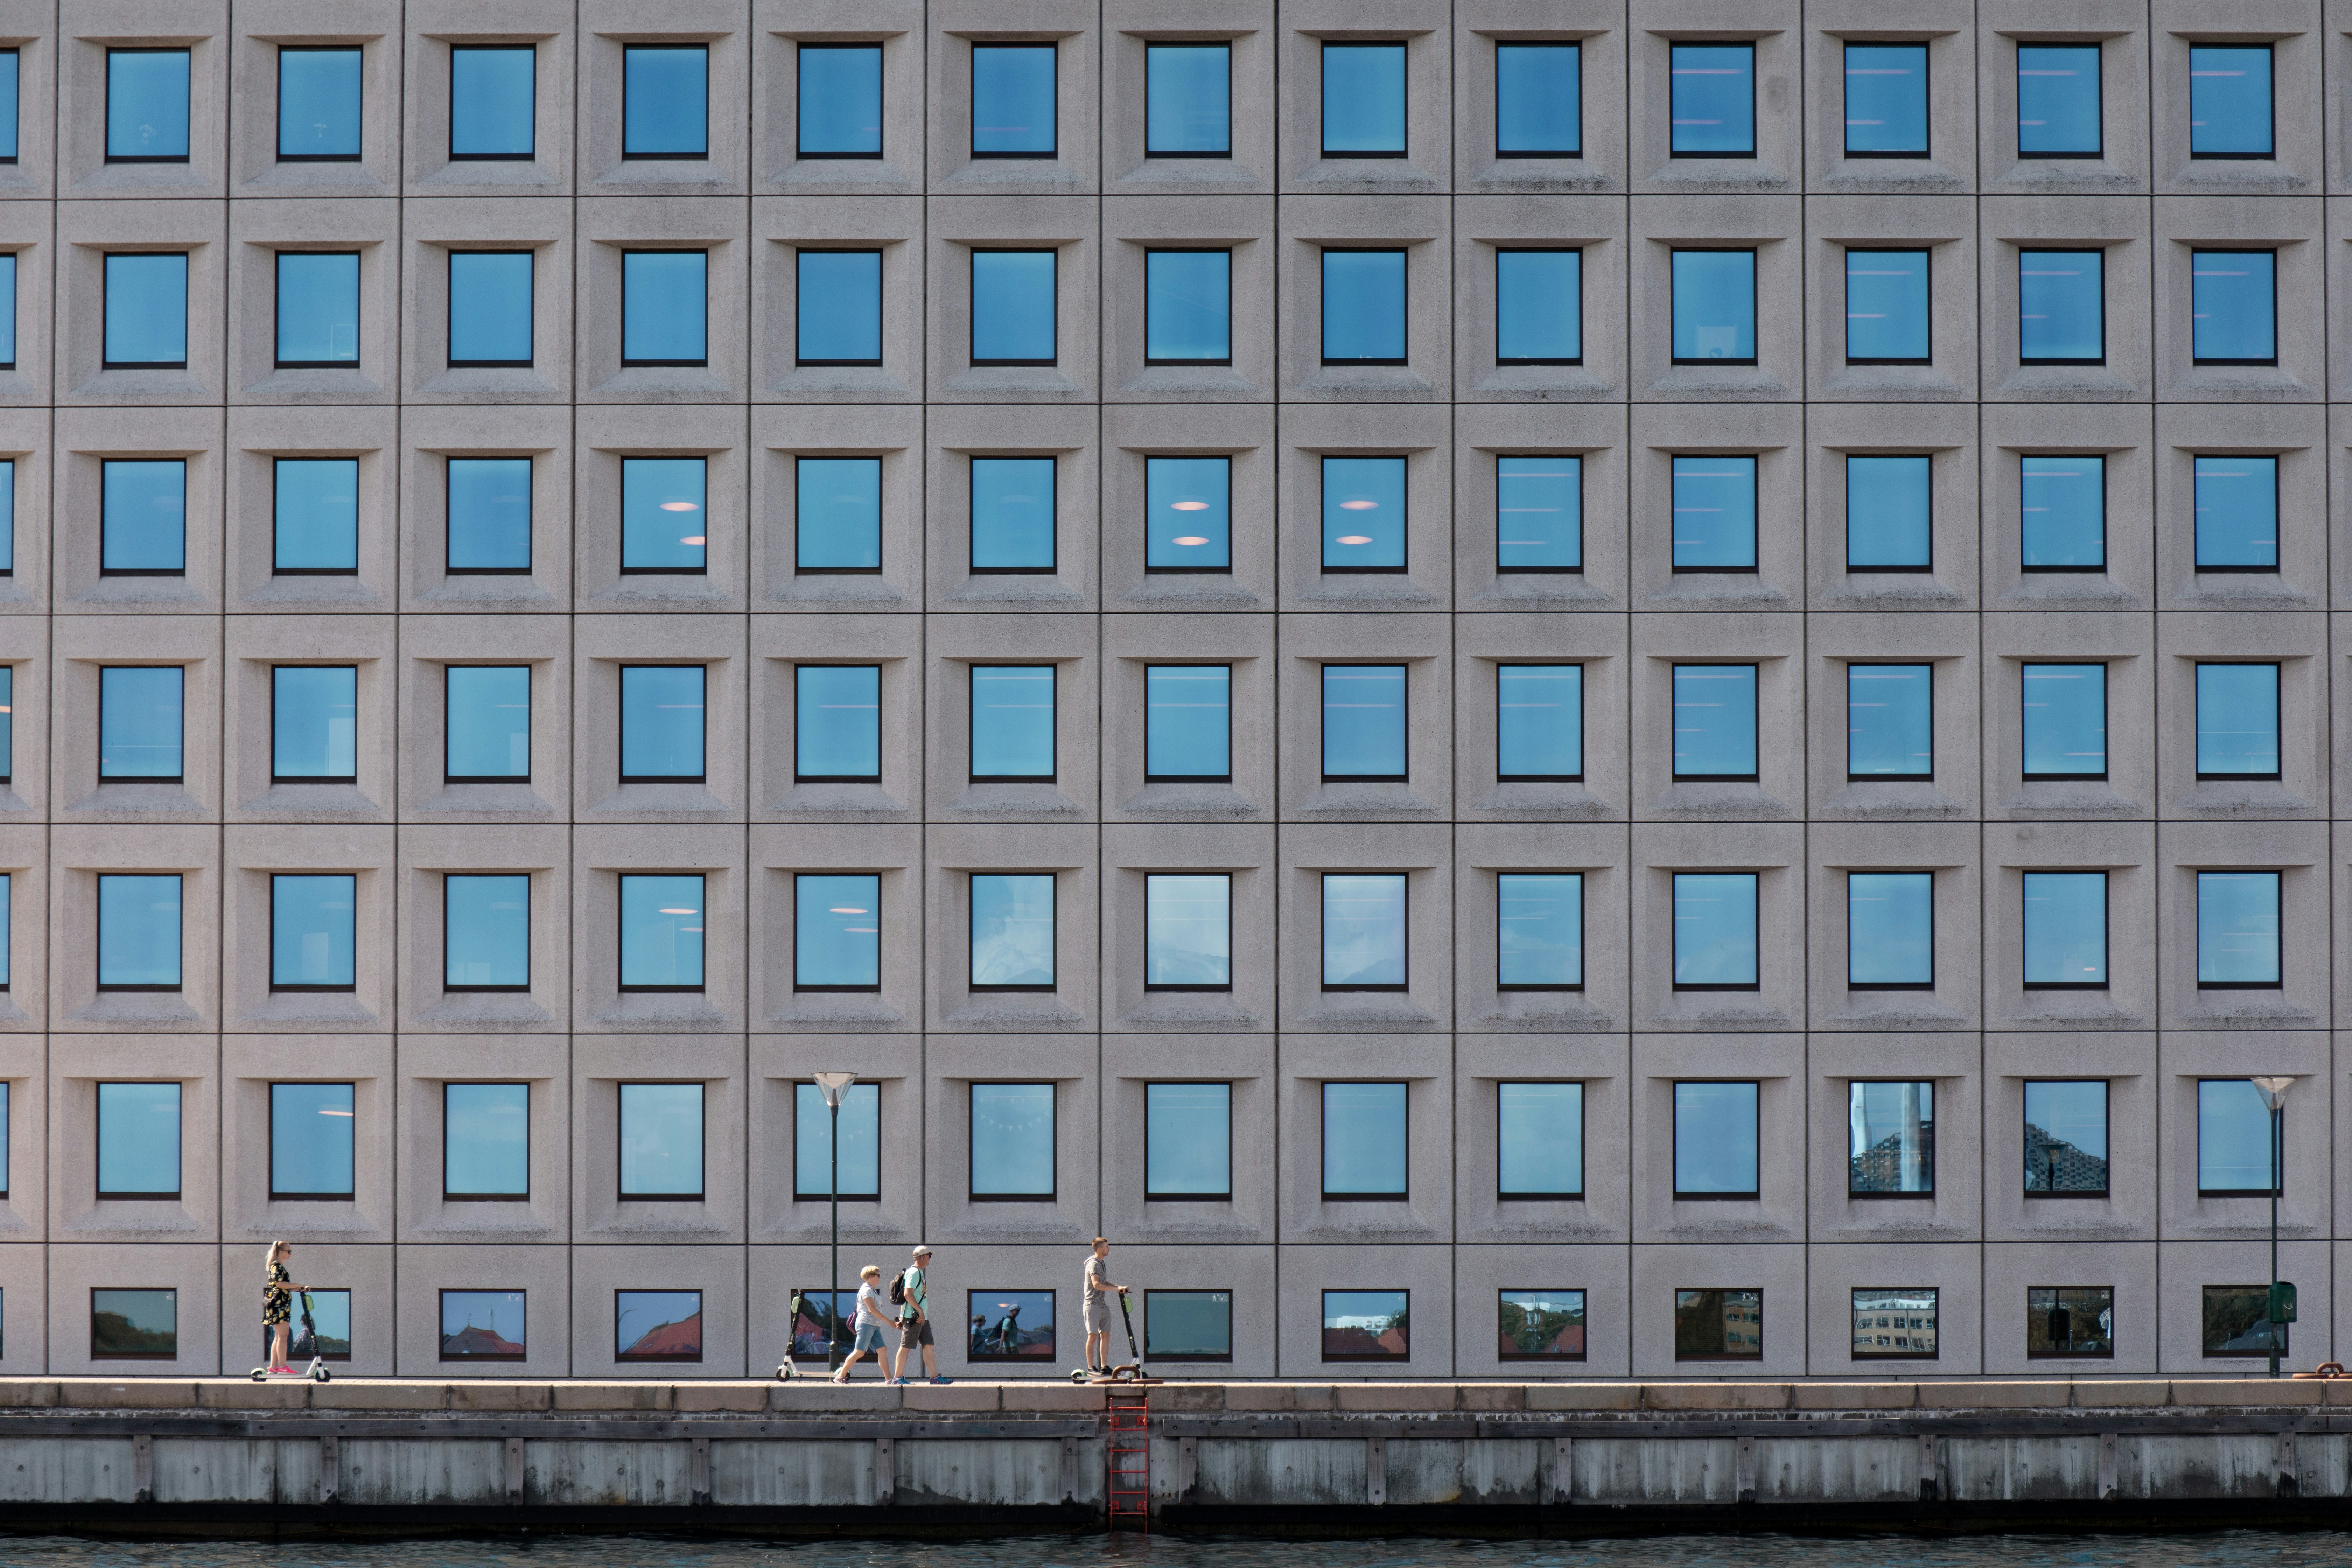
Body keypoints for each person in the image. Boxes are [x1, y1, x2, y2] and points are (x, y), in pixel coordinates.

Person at [891, 1244, 950, 1385]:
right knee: (905, 1347)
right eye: (929, 1256)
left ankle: (935, 1377)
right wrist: (919, 1312)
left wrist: (905, 1317)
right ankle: (897, 1378)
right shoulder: (915, 1272)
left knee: (929, 1345)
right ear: (924, 1257)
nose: (930, 1259)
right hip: (915, 1317)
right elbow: (907, 1294)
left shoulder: (918, 1273)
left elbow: (907, 1297)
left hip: (921, 1318)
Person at [834, 1265, 890, 1382]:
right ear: (871, 1277)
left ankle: (889, 1380)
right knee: (859, 1352)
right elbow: (872, 1310)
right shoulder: (866, 1290)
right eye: (878, 1275)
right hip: (866, 1325)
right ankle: (840, 1377)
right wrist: (888, 1321)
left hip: (874, 1326)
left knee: (883, 1350)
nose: (880, 1278)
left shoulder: (872, 1290)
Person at [1082, 1237, 1128, 1374]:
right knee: (1093, 1336)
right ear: (1100, 1249)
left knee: (1106, 1335)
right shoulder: (1093, 1264)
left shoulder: (1102, 1263)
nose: (1109, 1248)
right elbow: (1096, 1285)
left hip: (1103, 1305)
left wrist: (1119, 1287)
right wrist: (1115, 1290)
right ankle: (1091, 1368)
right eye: (1107, 1246)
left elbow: (1104, 1282)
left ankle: (1104, 1367)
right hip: (1092, 1305)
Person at [261, 1240, 308, 1374]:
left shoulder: (278, 1267)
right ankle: (282, 1367)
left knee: (279, 1336)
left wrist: (300, 1288)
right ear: (281, 1252)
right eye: (289, 1251)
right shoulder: (276, 1266)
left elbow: (283, 1288)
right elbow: (280, 1285)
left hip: (280, 1305)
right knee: (283, 1336)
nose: (290, 1254)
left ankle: (273, 1368)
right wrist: (298, 1285)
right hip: (279, 1306)